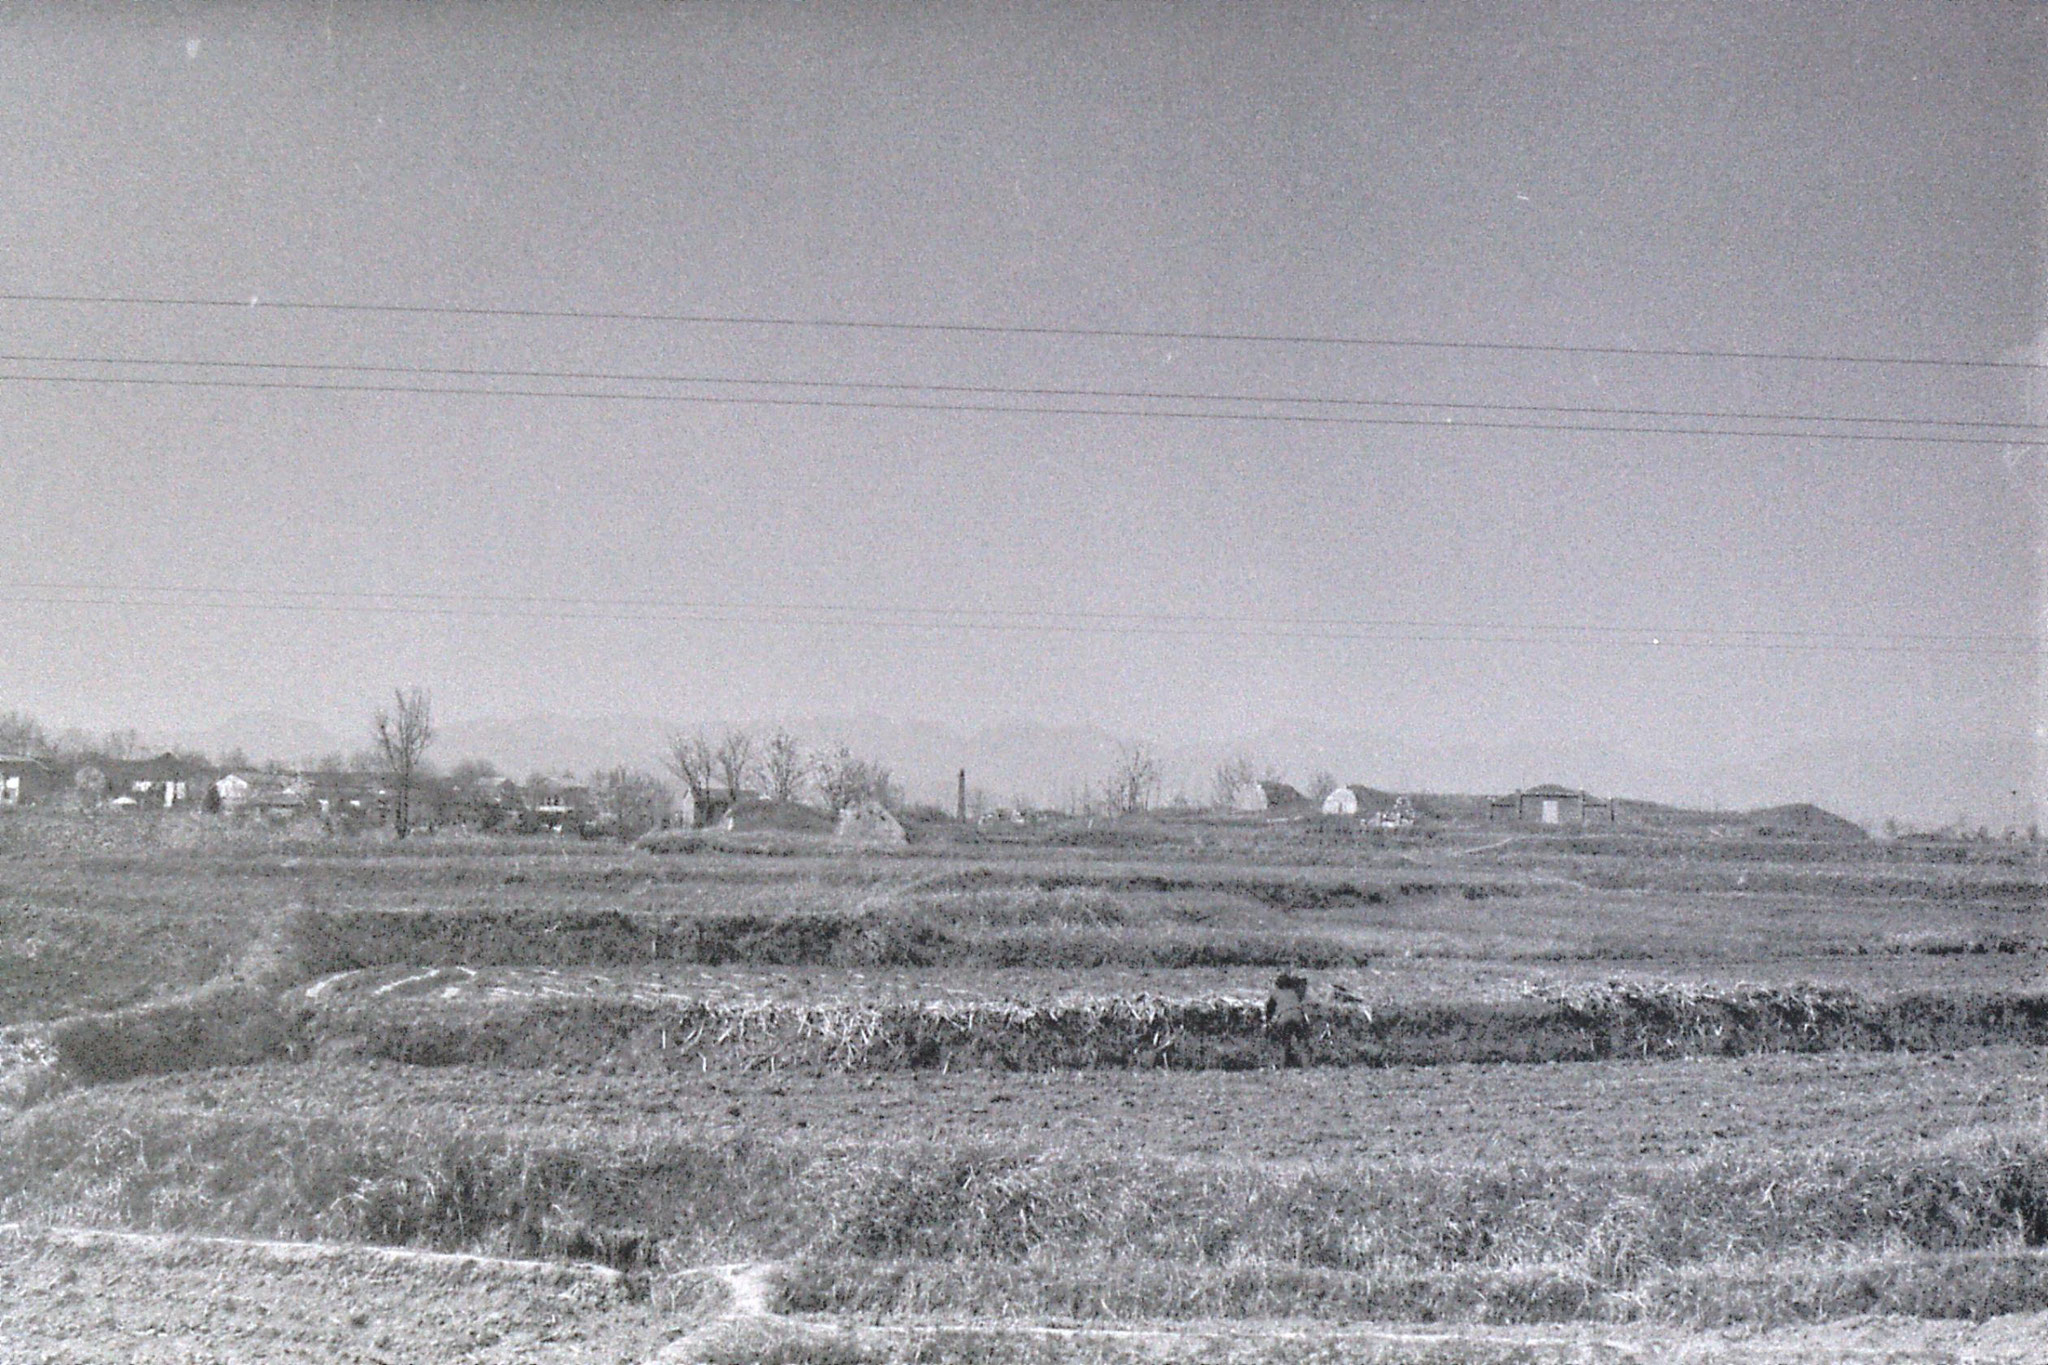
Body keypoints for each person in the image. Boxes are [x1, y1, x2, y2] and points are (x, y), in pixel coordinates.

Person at [1264, 970, 1310, 1068]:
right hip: (1298, 1016)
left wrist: (1268, 1022)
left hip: (1284, 1018)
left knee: (1284, 1043)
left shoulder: (1276, 993)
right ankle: (1306, 1065)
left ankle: (1282, 1066)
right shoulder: (1294, 992)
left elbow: (1269, 1009)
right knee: (1302, 1043)